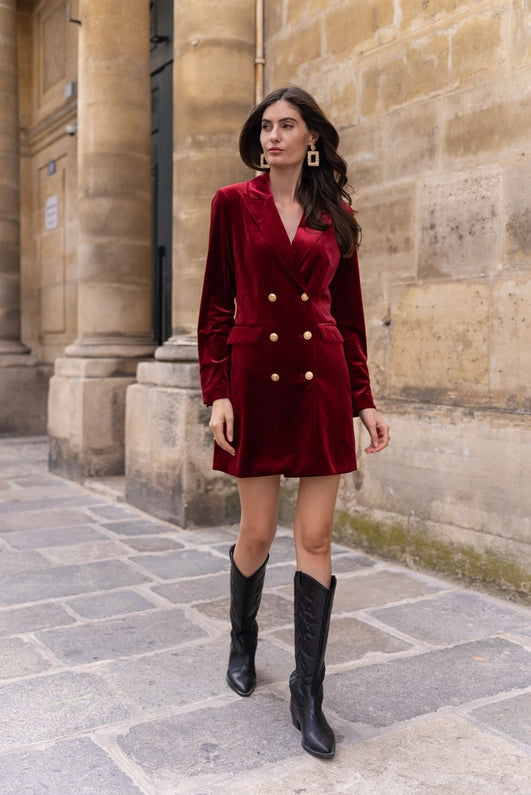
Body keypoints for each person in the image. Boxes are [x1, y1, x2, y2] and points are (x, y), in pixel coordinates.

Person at [197, 86, 389, 759]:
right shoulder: (231, 204)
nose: (271, 136)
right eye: (264, 126)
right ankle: (242, 638)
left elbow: (350, 316)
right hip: (252, 383)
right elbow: (217, 305)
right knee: (254, 532)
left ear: (312, 138)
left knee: (314, 538)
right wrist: (216, 390)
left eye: (286, 126)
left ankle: (308, 692)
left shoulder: (336, 212)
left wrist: (362, 399)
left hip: (319, 382)